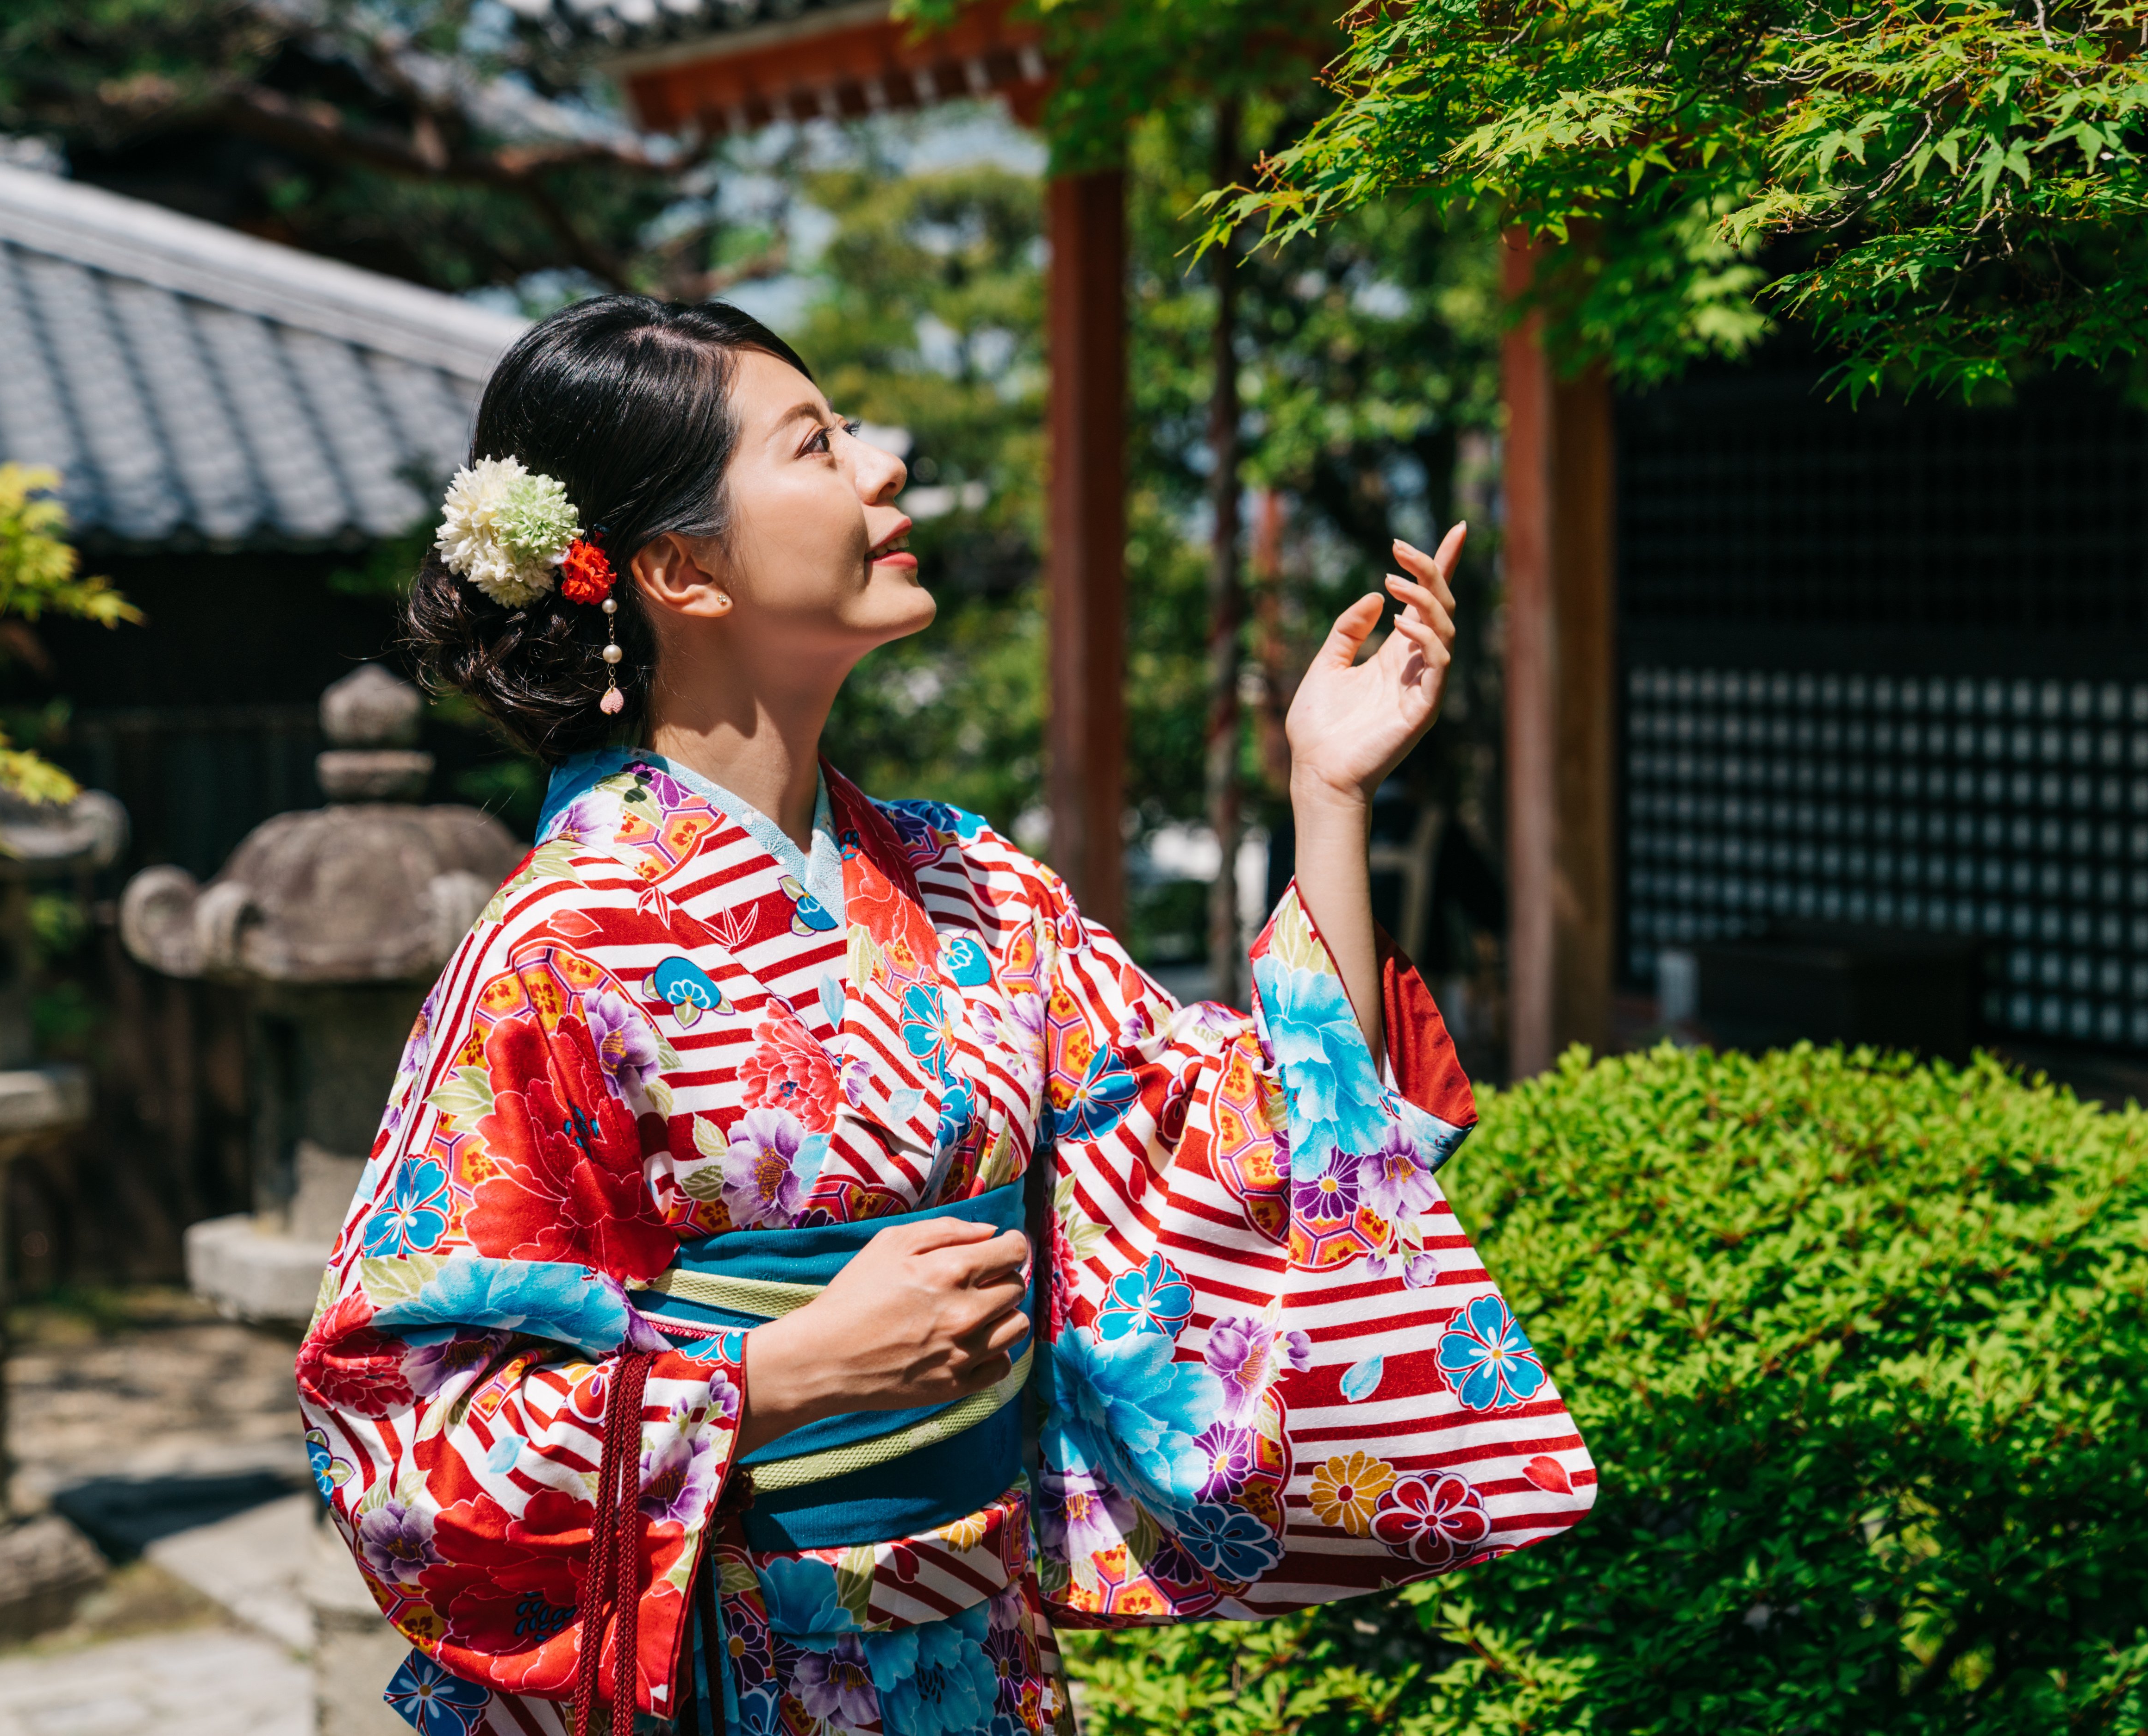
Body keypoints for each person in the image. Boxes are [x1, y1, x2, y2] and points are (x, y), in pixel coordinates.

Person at [298, 294, 1593, 1736]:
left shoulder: (969, 880)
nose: (881, 469)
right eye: (817, 446)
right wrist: (779, 1374)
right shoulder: (559, 946)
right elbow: (404, 1441)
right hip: (726, 1675)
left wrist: (1328, 794)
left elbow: (1265, 1150)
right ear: (681, 567)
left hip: (981, 1655)